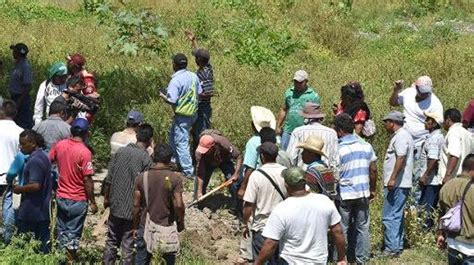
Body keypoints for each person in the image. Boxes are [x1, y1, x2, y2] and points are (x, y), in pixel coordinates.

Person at [254, 167, 347, 265]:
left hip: (290, 261)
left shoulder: (281, 209)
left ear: (286, 185)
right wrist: (341, 258)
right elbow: (338, 232)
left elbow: (270, 244)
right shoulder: (324, 201)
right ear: (305, 182)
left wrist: (257, 263)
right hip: (318, 261)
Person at [102, 124, 154, 264]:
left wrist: (106, 199)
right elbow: (146, 189)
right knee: (128, 245)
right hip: (132, 210)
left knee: (111, 241)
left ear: (137, 136)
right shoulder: (146, 160)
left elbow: (109, 179)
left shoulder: (120, 152)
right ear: (150, 140)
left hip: (116, 204)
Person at [49, 118, 97, 262]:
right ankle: (69, 261)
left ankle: (59, 260)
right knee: (73, 235)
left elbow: (48, 161)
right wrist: (93, 201)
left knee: (61, 231)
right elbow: (87, 179)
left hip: (62, 196)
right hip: (78, 199)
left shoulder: (60, 145)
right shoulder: (85, 152)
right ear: (86, 133)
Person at [389, 76, 443, 198]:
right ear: (416, 87)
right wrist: (396, 90)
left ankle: (414, 204)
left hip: (421, 144)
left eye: (426, 93)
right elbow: (393, 102)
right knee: (400, 171)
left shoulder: (435, 103)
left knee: (417, 175)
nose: (424, 96)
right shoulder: (408, 93)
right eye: (421, 93)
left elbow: (437, 125)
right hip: (404, 141)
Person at [334, 114, 377, 263]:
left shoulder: (338, 149)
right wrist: (372, 189)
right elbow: (373, 169)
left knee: (342, 227)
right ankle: (362, 258)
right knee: (362, 227)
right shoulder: (366, 145)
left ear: (339, 131)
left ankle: (341, 258)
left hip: (345, 193)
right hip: (363, 191)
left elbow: (334, 174)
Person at [133, 143, 185, 265]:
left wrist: (135, 226)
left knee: (141, 260)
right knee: (168, 261)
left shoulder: (142, 177)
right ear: (169, 159)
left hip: (145, 226)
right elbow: (178, 204)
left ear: (153, 157)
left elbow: (136, 205)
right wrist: (180, 222)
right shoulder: (174, 178)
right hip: (166, 227)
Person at [242, 142, 287, 262]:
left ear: (262, 156)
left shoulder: (256, 175)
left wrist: (245, 223)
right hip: (283, 228)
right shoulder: (285, 172)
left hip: (262, 228)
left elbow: (248, 204)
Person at [159, 53, 202, 178]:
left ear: (174, 65)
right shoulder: (193, 76)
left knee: (181, 142)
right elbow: (200, 91)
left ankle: (188, 171)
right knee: (173, 136)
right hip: (193, 114)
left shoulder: (176, 80)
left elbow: (171, 100)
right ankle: (174, 162)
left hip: (182, 115)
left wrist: (163, 95)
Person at [381, 111, 414, 257]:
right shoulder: (403, 136)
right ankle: (397, 245)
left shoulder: (401, 137)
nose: (385, 125)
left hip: (397, 184)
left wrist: (393, 178)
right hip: (401, 183)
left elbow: (401, 157)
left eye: (386, 122)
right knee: (397, 215)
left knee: (390, 215)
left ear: (392, 123)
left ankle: (391, 248)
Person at [14, 130, 52, 253]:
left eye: (23, 144)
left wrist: (19, 189)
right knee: (42, 245)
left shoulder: (35, 160)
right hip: (41, 209)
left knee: (22, 244)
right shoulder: (43, 156)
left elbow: (35, 186)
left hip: (32, 210)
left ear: (33, 143)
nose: (20, 147)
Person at [437, 154, 474, 264]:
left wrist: (440, 234)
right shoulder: (472, 189)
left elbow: (441, 213)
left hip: (452, 243)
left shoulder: (447, 186)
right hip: (470, 247)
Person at [195, 131, 242, 212]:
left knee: (233, 181)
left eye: (206, 150)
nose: (204, 152)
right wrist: (199, 192)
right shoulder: (200, 154)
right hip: (209, 162)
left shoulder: (223, 143)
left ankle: (237, 205)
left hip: (224, 159)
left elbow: (239, 156)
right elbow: (200, 173)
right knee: (201, 185)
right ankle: (199, 204)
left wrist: (236, 174)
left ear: (213, 146)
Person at [276, 70, 321, 150]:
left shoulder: (313, 95)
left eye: (300, 82)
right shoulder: (289, 92)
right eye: (295, 82)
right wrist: (278, 126)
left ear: (306, 81)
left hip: (305, 132)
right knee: (283, 153)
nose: (297, 84)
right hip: (288, 130)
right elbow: (284, 109)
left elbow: (316, 117)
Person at [238, 106, 276, 199]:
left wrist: (243, 187)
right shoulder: (276, 139)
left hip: (256, 178)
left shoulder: (253, 142)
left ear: (253, 126)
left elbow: (250, 167)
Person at [185, 30, 215, 149]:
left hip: (203, 109)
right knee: (195, 133)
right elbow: (199, 53)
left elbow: (208, 93)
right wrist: (194, 41)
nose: (195, 59)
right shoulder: (207, 66)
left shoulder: (205, 74)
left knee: (201, 134)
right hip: (199, 107)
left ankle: (201, 159)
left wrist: (194, 94)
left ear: (199, 61)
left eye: (196, 58)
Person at [286, 102, 338, 168]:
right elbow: (335, 160)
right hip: (325, 174)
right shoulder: (332, 133)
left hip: (303, 174)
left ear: (306, 118)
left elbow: (291, 157)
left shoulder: (298, 131)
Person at [0, 100, 24, 240]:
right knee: (8, 207)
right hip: (10, 176)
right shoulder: (20, 132)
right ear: (15, 113)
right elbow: (21, 156)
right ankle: (6, 238)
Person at [417, 112, 445, 229]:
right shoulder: (436, 137)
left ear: (433, 124)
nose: (425, 122)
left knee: (426, 208)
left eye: (428, 120)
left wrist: (425, 175)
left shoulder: (434, 138)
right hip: (431, 179)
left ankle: (424, 231)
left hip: (431, 180)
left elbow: (433, 159)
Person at [438, 108, 473, 184]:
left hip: (453, 180)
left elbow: (454, 155)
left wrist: (447, 175)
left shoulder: (454, 132)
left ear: (448, 119)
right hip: (465, 179)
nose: (443, 123)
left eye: (444, 120)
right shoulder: (466, 133)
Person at [8, 43, 33, 129]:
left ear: (18, 53)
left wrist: (19, 102)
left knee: (23, 123)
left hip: (21, 99)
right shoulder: (17, 64)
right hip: (15, 97)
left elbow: (28, 86)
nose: (13, 53)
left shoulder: (25, 67)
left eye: (14, 51)